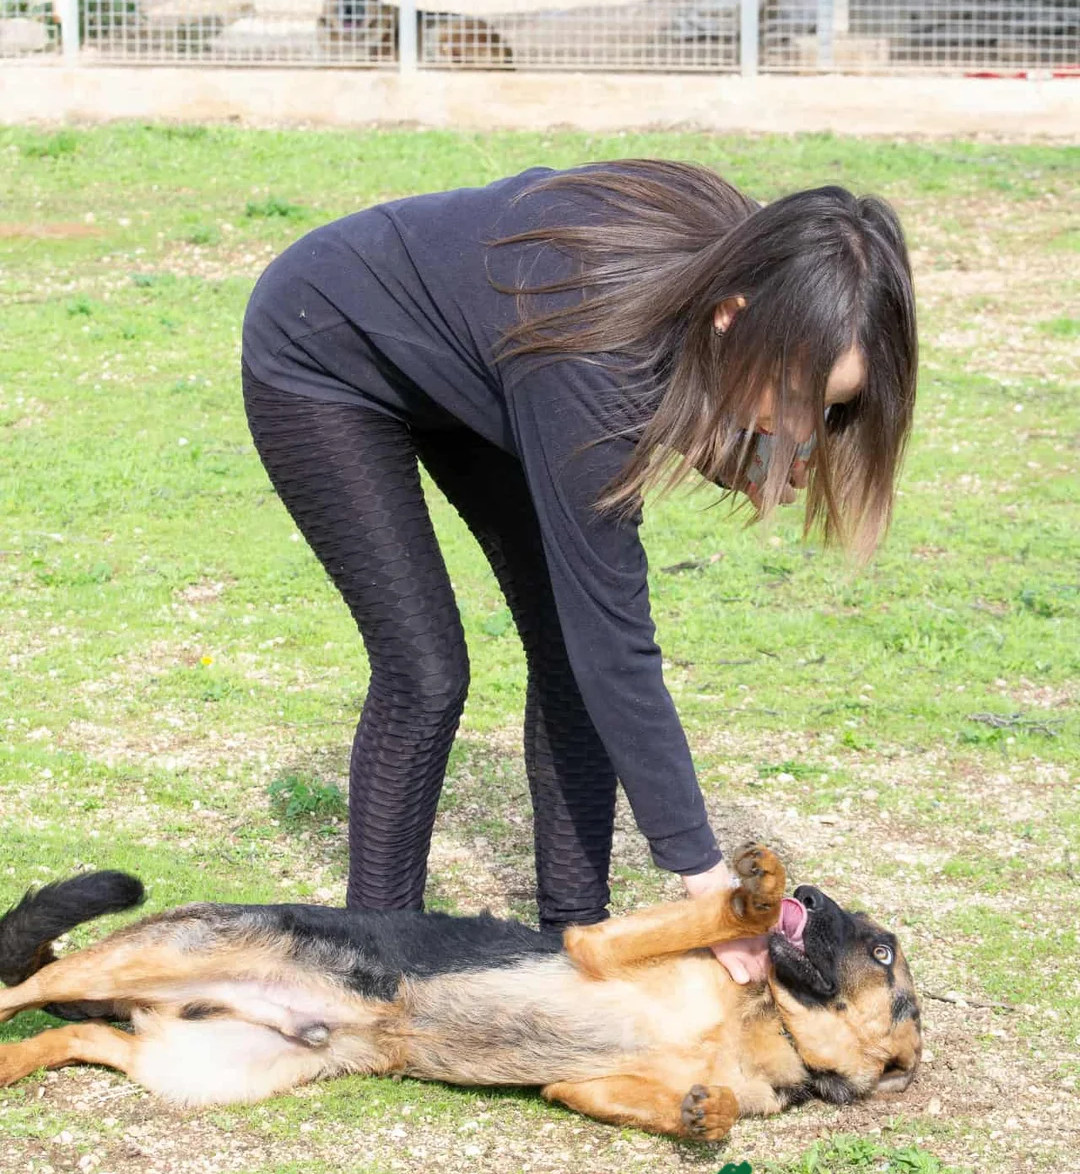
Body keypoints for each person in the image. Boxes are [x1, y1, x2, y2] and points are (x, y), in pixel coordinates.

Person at [240, 159, 916, 978]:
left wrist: (730, 439)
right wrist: (703, 878)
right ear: (737, 318)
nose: (804, 432)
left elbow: (671, 385)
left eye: (832, 409)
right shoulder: (593, 355)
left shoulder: (742, 273)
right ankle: (373, 965)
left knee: (562, 650)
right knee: (425, 669)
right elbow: (617, 641)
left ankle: (572, 939)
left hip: (483, 364)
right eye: (802, 396)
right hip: (323, 346)